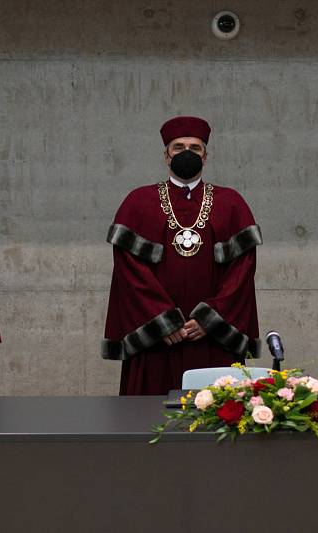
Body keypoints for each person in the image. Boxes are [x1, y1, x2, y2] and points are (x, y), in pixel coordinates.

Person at [103, 116, 262, 395]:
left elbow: (242, 271)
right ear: (166, 155)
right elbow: (129, 272)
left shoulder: (231, 203)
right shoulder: (138, 202)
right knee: (148, 420)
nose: (186, 153)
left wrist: (209, 318)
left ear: (206, 156)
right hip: (157, 342)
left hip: (212, 340)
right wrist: (164, 320)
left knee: (217, 418)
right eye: (178, 147)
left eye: (195, 147)